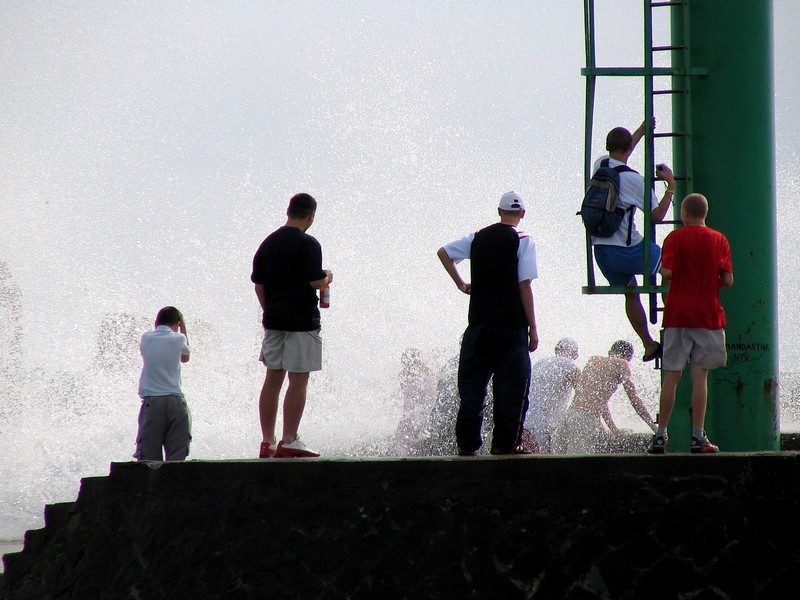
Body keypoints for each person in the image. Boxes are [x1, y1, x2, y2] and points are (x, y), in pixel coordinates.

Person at [437, 191, 539, 456]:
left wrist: (461, 283)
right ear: (522, 214)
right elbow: (524, 284)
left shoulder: (477, 237)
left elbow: (444, 252)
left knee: (472, 389)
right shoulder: (524, 240)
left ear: (499, 211)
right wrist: (534, 328)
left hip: (479, 327)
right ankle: (505, 444)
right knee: (512, 390)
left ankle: (467, 445)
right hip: (511, 328)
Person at [649, 193, 733, 454]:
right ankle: (698, 436)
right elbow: (728, 280)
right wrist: (707, 279)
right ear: (704, 213)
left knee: (672, 376)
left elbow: (667, 272)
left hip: (677, 315)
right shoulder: (719, 240)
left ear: (684, 213)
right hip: (708, 316)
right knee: (700, 377)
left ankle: (661, 435)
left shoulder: (674, 238)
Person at [251, 192, 332, 459]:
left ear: (288, 210)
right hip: (301, 321)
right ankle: (289, 440)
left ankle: (267, 442)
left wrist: (269, 310)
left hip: (273, 320)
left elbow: (259, 284)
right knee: (298, 379)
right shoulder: (308, 243)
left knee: (273, 378)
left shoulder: (268, 243)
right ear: (311, 215)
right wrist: (327, 277)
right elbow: (314, 282)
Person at [591, 121, 675, 361]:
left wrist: (640, 130)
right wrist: (670, 187)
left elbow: (623, 152)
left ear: (608, 147)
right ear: (628, 147)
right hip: (628, 250)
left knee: (630, 291)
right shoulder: (636, 181)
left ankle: (648, 343)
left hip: (602, 253)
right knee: (671, 271)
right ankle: (672, 330)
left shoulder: (600, 165)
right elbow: (656, 217)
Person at [556, 340, 656, 454]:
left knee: (558, 462)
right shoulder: (622, 364)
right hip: (585, 421)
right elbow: (634, 400)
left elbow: (597, 399)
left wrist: (613, 428)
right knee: (579, 465)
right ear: (628, 357)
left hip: (570, 415)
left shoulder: (593, 360)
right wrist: (655, 428)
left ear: (610, 352)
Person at [134, 306, 192, 461]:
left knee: (149, 458)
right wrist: (183, 329)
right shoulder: (179, 339)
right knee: (177, 458)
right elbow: (185, 358)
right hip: (175, 402)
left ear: (156, 323)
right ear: (178, 324)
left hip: (152, 403)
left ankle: (151, 485)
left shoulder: (146, 338)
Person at [523, 337, 581, 453]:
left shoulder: (540, 363)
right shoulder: (572, 367)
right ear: (575, 355)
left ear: (556, 349)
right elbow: (582, 395)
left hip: (525, 422)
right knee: (544, 464)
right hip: (546, 426)